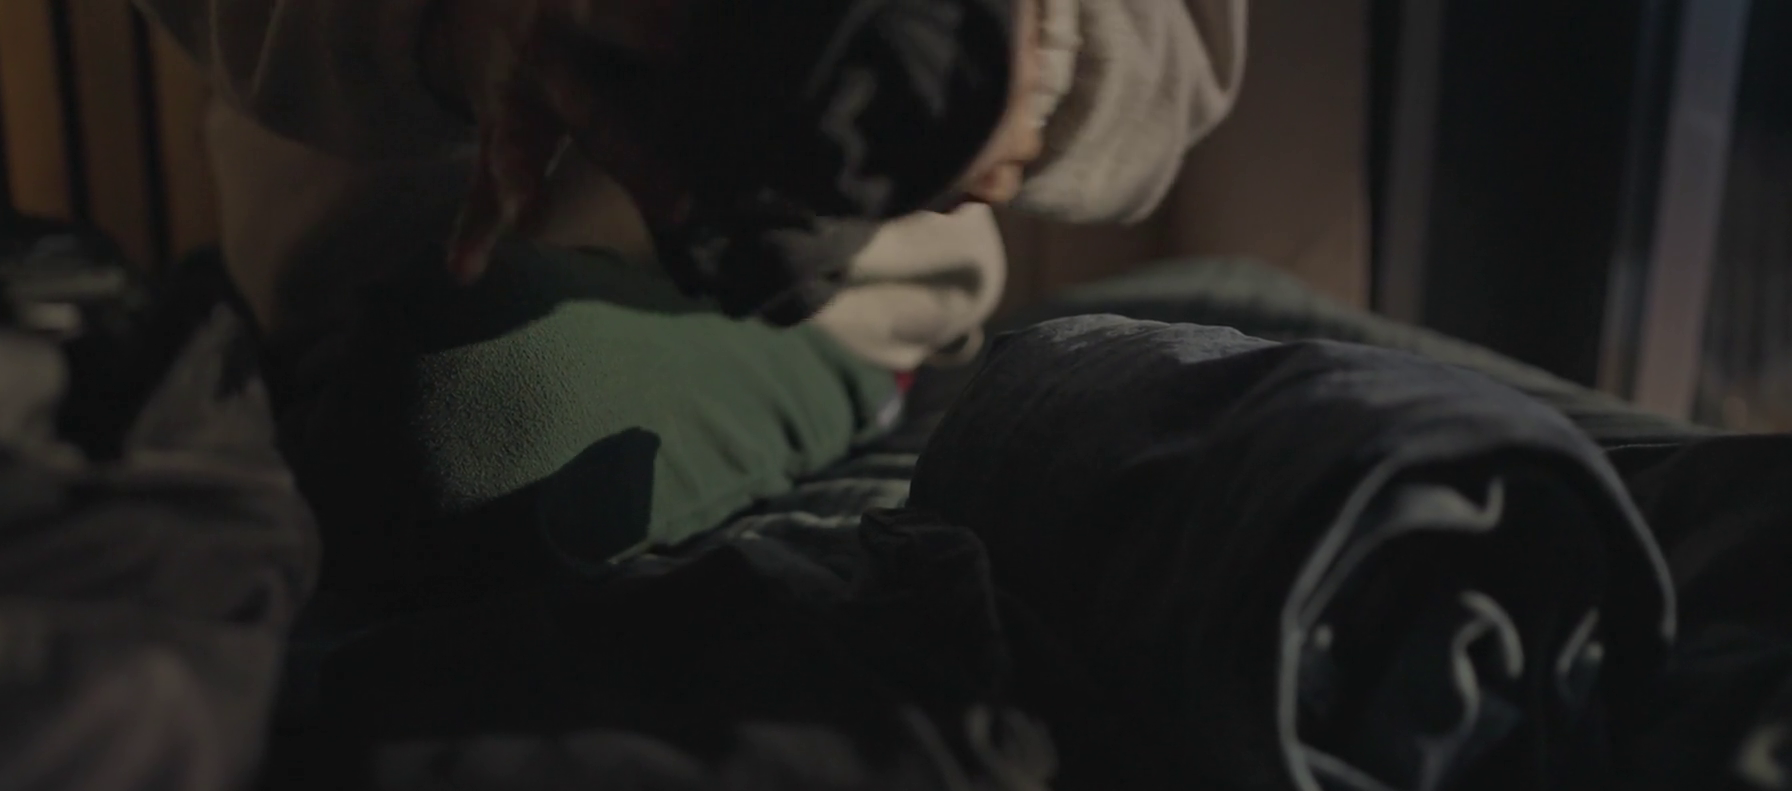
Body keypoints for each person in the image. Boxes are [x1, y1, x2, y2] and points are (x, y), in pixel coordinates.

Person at [133, 0, 1250, 599]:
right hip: (403, 258)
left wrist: (1028, 63)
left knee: (466, 413)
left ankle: (853, 373)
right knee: (448, 415)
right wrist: (445, 26)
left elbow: (1186, 40)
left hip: (821, 298)